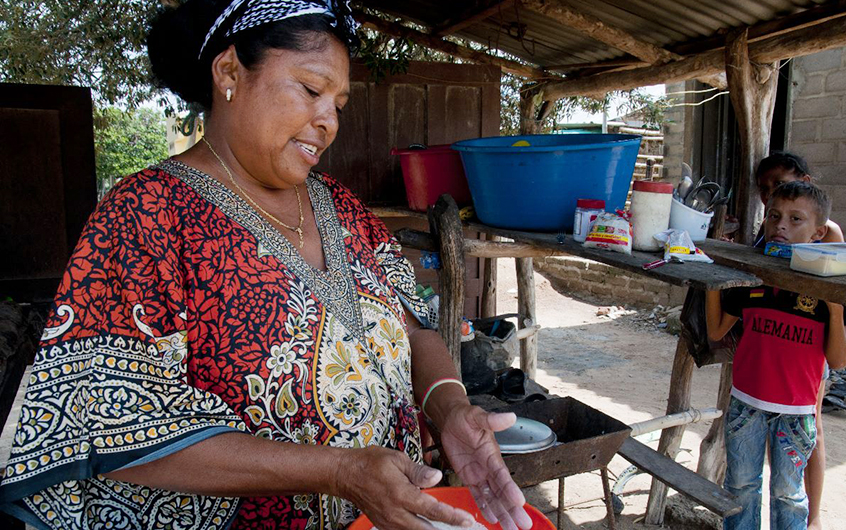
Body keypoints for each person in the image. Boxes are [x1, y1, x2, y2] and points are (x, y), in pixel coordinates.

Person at [0, 2, 532, 529]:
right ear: (229, 72)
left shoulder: (344, 209)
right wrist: (340, 471)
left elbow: (415, 332)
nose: (329, 121)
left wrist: (451, 409)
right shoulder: (144, 217)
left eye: (339, 104)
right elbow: (106, 425)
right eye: (310, 89)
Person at [706, 181, 846, 530]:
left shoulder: (826, 286)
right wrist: (712, 277)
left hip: (797, 412)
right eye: (774, 216)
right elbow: (715, 331)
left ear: (818, 233)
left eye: (794, 219)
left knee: (789, 494)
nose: (780, 225)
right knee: (740, 488)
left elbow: (840, 360)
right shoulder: (754, 277)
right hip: (746, 405)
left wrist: (834, 310)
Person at [755, 151, 845, 530]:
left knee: (810, 425)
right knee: (780, 428)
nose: (772, 194)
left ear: (806, 182)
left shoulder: (828, 233)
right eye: (766, 191)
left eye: (779, 183)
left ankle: (814, 516)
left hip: (809, 346)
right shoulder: (770, 230)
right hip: (775, 342)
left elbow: (834, 300)